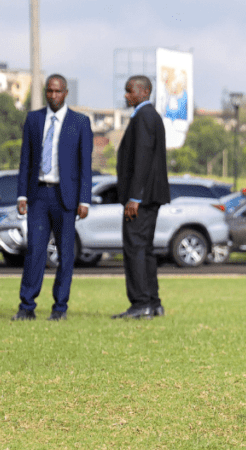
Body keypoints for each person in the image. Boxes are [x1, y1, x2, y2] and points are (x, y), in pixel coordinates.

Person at [11, 74, 93, 322]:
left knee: (66, 255)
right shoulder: (34, 119)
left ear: (66, 93)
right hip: (38, 195)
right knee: (35, 251)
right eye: (49, 91)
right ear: (45, 92)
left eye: (58, 91)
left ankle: (60, 308)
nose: (54, 95)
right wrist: (22, 194)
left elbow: (85, 165)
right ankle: (27, 307)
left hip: (65, 198)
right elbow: (26, 159)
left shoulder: (80, 122)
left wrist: (84, 200)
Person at [113, 75, 170, 320]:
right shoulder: (148, 116)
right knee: (144, 250)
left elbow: (143, 158)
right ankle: (153, 302)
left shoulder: (145, 117)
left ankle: (141, 303)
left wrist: (134, 197)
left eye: (130, 91)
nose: (126, 95)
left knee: (135, 248)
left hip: (142, 199)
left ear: (144, 92)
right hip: (148, 197)